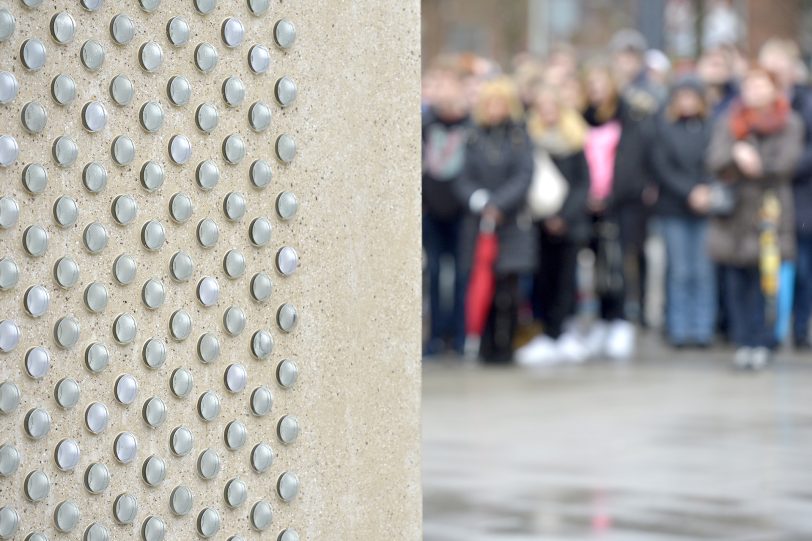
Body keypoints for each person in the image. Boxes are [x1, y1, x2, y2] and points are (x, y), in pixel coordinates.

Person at [707, 66, 803, 369]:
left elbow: (787, 162)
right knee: (736, 280)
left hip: (769, 209)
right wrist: (735, 156)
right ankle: (743, 340)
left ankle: (764, 340)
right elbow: (714, 159)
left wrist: (756, 163)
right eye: (751, 86)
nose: (756, 92)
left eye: (762, 86)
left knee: (767, 280)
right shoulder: (729, 121)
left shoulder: (790, 121)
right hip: (735, 213)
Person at [455, 77, 535, 363]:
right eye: (490, 102)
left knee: (508, 288)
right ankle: (485, 345)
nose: (495, 108)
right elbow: (462, 177)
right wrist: (480, 201)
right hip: (479, 222)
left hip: (512, 222)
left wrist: (499, 203)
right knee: (481, 284)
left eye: (500, 102)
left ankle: (507, 344)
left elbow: (524, 175)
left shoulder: (519, 136)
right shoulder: (472, 135)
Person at [580, 61, 651, 360]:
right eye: (591, 84)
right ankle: (603, 319)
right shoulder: (583, 118)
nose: (596, 89)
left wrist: (610, 196)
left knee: (621, 262)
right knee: (598, 264)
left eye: (601, 83)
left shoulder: (629, 117)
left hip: (622, 204)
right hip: (590, 203)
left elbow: (632, 162)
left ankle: (622, 320)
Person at [515, 84, 591, 365]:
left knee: (566, 279)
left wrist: (563, 216)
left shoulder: (573, 141)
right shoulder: (528, 140)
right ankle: (545, 330)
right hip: (538, 223)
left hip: (569, 223)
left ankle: (564, 330)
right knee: (541, 278)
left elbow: (582, 184)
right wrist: (545, 216)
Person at [651, 76, 716, 348]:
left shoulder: (711, 128)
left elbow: (715, 161)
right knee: (679, 271)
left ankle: (702, 329)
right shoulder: (664, 128)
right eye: (682, 97)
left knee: (703, 271)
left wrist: (705, 190)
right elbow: (662, 167)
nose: (687, 102)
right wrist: (689, 191)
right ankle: (678, 328)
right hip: (674, 208)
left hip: (705, 208)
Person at [759, 39, 812, 349]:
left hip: (802, 196)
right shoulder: (753, 107)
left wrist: (784, 166)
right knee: (771, 268)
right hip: (766, 196)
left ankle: (801, 326)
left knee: (803, 267)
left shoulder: (805, 104)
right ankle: (771, 329)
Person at [421, 56, 470, 356]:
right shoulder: (426, 124)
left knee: (463, 274)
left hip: (463, 211)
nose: (439, 91)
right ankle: (436, 336)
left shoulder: (472, 125)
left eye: (444, 84)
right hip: (432, 209)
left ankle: (461, 336)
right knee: (435, 272)